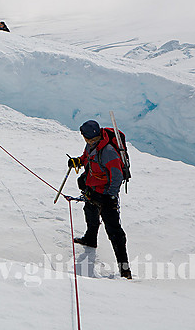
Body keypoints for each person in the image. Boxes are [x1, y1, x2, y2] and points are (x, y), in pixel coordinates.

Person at [67, 119, 132, 279]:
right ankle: (90, 239)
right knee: (90, 212)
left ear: (88, 136)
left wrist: (110, 196)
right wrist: (77, 161)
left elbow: (116, 176)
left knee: (114, 231)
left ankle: (125, 270)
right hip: (92, 188)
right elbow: (86, 158)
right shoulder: (92, 145)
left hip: (105, 194)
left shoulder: (108, 151)